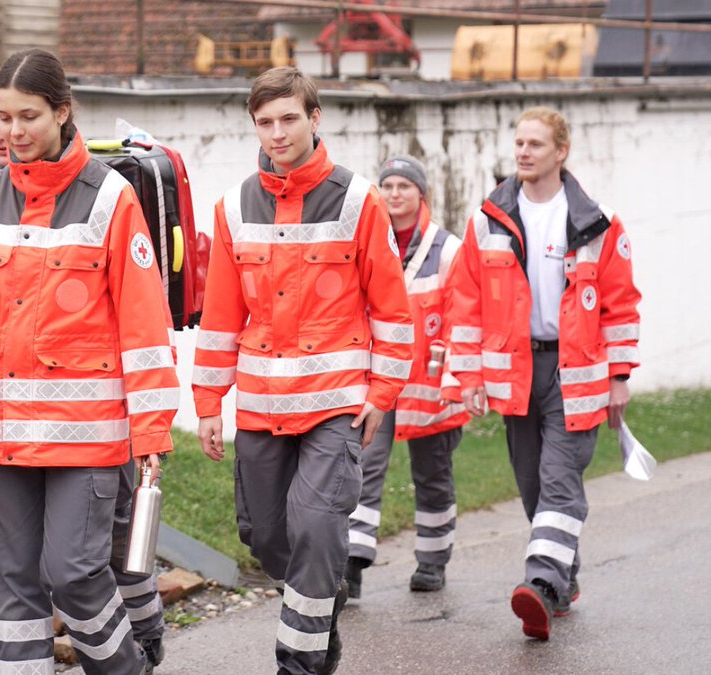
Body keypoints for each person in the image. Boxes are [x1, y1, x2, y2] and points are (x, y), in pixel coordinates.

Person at [0, 48, 178, 675]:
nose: (13, 133)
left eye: (29, 117)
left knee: (74, 574)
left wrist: (152, 428)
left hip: (86, 433)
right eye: (3, 118)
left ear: (62, 111)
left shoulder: (111, 199)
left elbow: (144, 323)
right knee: (12, 583)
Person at [192, 67, 413, 675]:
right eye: (265, 122)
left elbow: (393, 308)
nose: (277, 133)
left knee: (317, 528)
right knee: (268, 540)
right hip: (262, 404)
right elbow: (219, 316)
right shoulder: (233, 206)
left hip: (335, 404)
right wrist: (209, 404)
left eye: (289, 118)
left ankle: (302, 659)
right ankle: (324, 598)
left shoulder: (360, 199)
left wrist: (383, 391)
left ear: (315, 119)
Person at [446, 106, 641, 641]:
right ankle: (563, 576)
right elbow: (465, 304)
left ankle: (540, 582)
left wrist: (619, 375)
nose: (524, 152)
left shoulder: (598, 222)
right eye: (519, 143)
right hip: (514, 368)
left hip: (576, 369)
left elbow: (620, 306)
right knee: (532, 484)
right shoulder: (487, 220)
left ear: (561, 151)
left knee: (559, 480)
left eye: (535, 143)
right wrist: (469, 378)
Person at [344, 156, 470, 598]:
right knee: (361, 466)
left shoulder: (449, 249)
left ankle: (433, 562)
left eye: (404, 186)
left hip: (430, 385)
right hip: (377, 380)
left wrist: (457, 377)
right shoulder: (367, 240)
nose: (395, 194)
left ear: (422, 194)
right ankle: (352, 564)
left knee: (432, 473)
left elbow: (462, 315)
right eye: (388, 185)